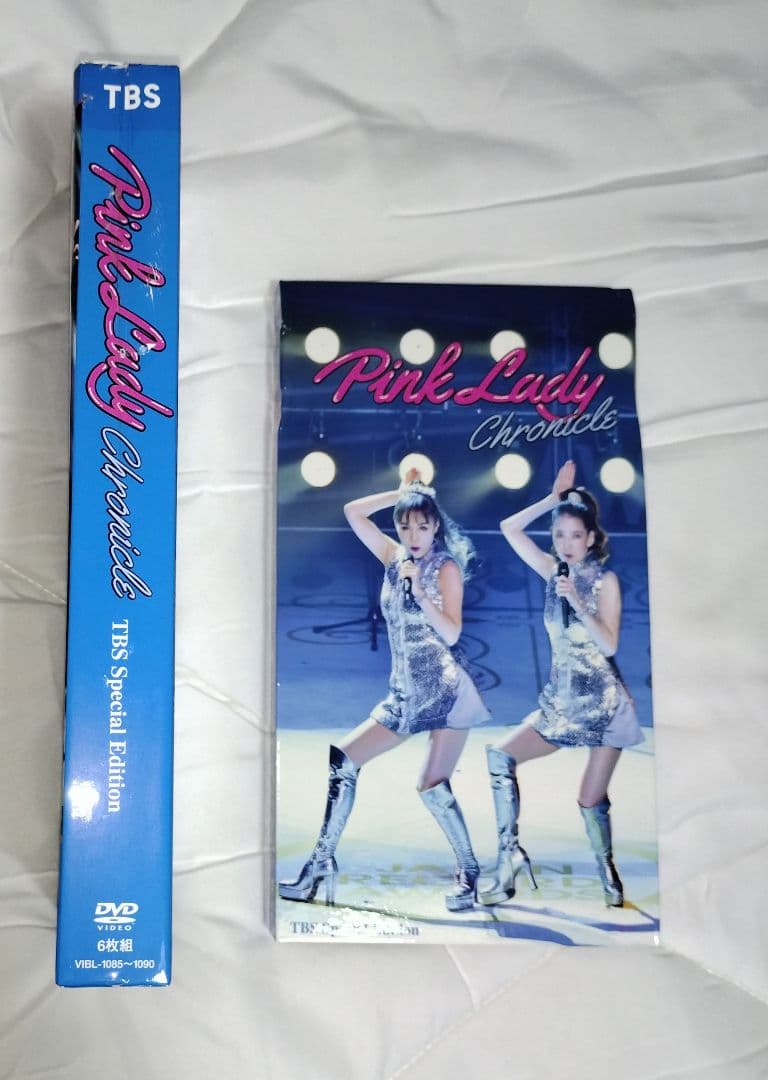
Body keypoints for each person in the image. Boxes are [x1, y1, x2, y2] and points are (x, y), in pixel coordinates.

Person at [279, 470, 489, 912]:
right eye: (405, 526)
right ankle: (320, 865)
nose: (414, 536)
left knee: (431, 786)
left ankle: (469, 872)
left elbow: (452, 633)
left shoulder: (445, 568)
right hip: (404, 694)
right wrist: (403, 492)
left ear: (436, 526)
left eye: (423, 526)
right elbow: (352, 512)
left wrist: (421, 593)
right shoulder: (393, 556)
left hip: (445, 692)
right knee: (343, 760)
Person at [479, 460, 643, 909]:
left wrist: (580, 604)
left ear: (590, 539)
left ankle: (607, 869)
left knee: (590, 800)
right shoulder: (552, 572)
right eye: (559, 536)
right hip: (562, 705)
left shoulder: (605, 581)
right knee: (499, 757)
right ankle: (509, 857)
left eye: (575, 536)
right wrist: (552, 499)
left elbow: (608, 644)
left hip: (606, 707)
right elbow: (509, 529)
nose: (567, 545)